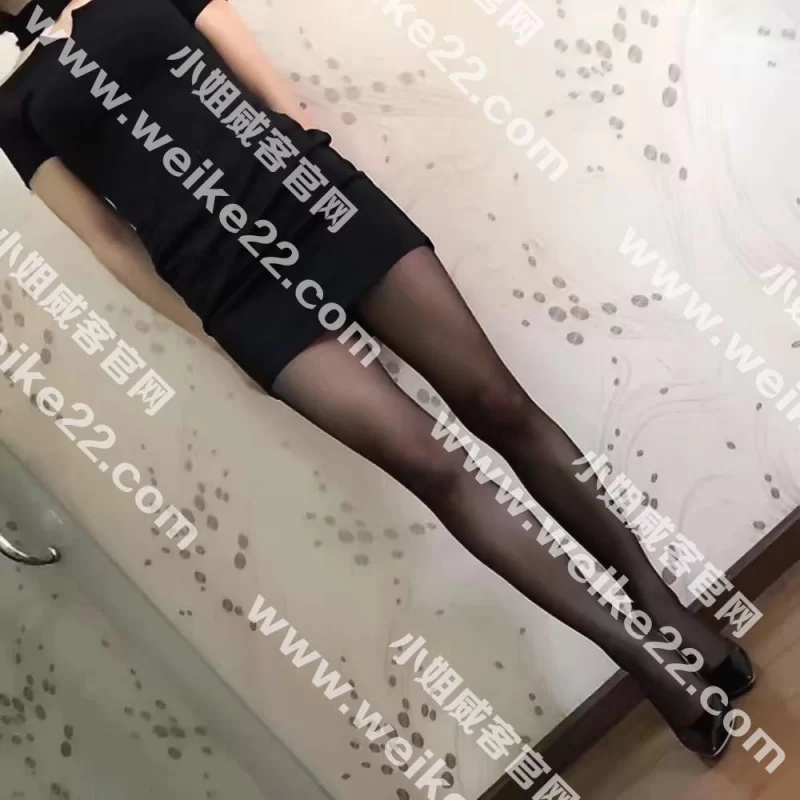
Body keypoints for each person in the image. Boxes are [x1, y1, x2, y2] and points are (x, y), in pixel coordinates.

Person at [0, 0, 754, 759]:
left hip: (313, 197)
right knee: (435, 468)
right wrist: (209, 336)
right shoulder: (14, 105)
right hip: (230, 288)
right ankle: (643, 657)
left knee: (499, 404)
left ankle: (662, 608)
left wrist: (302, 136)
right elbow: (106, 240)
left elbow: (233, 39)